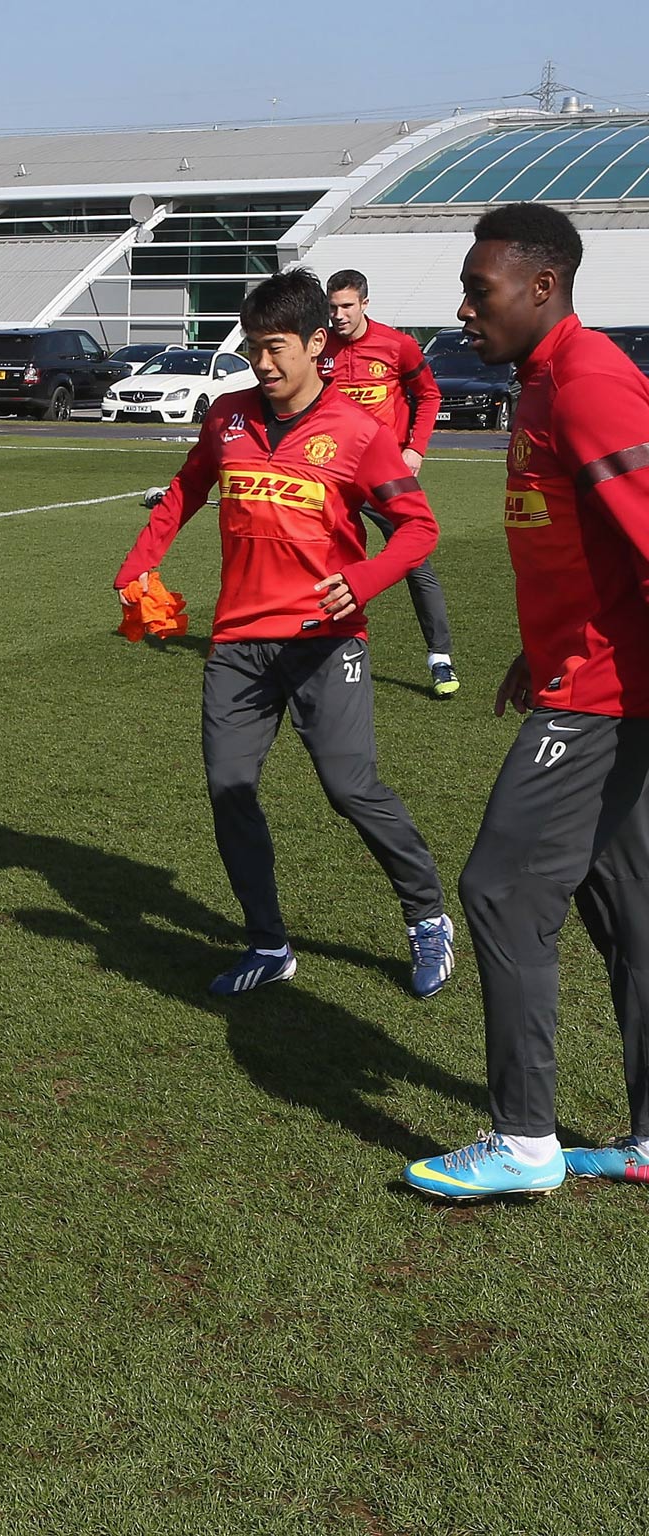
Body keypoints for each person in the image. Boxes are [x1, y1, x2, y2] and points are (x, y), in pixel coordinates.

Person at [113, 269, 454, 999]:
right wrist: (138, 565)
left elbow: (418, 530)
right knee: (229, 787)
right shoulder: (227, 417)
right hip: (238, 642)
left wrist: (360, 582)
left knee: (348, 786)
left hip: (326, 642)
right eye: (251, 349)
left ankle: (427, 915)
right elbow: (186, 490)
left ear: (314, 343)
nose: (261, 364)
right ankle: (269, 944)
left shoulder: (360, 434)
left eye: (274, 348)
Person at [405, 204, 649, 1201]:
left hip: (597, 700)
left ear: (539, 286)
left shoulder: (589, 385)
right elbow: (582, 548)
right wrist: (534, 646)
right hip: (578, 672)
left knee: (500, 890)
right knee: (630, 915)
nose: (463, 309)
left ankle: (521, 1141)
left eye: (478, 289)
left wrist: (575, 665)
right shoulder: (536, 384)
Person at [323, 270, 457, 696]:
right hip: (334, 476)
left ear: (365, 303)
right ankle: (320, 647)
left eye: (346, 306)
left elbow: (429, 395)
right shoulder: (319, 346)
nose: (339, 315)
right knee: (323, 558)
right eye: (333, 307)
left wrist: (414, 448)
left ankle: (440, 657)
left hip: (385, 477)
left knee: (414, 560)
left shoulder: (398, 345)